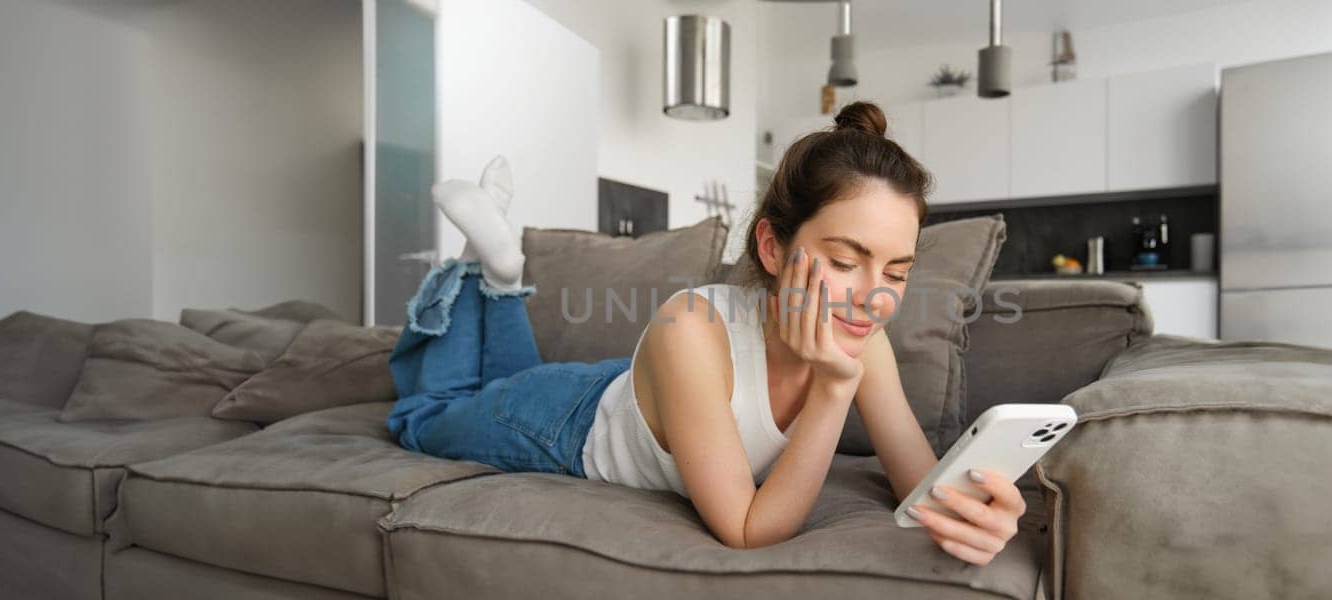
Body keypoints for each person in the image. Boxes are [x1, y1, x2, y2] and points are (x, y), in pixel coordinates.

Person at [386, 101, 1026, 563]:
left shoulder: (866, 338)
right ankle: (486, 267)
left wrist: (978, 511)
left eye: (895, 270)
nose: (873, 298)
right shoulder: (688, 326)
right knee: (424, 415)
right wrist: (834, 390)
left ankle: (500, 270)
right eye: (842, 261)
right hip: (568, 419)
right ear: (772, 247)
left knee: (495, 379)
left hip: (655, 398)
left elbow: (919, 483)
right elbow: (749, 531)